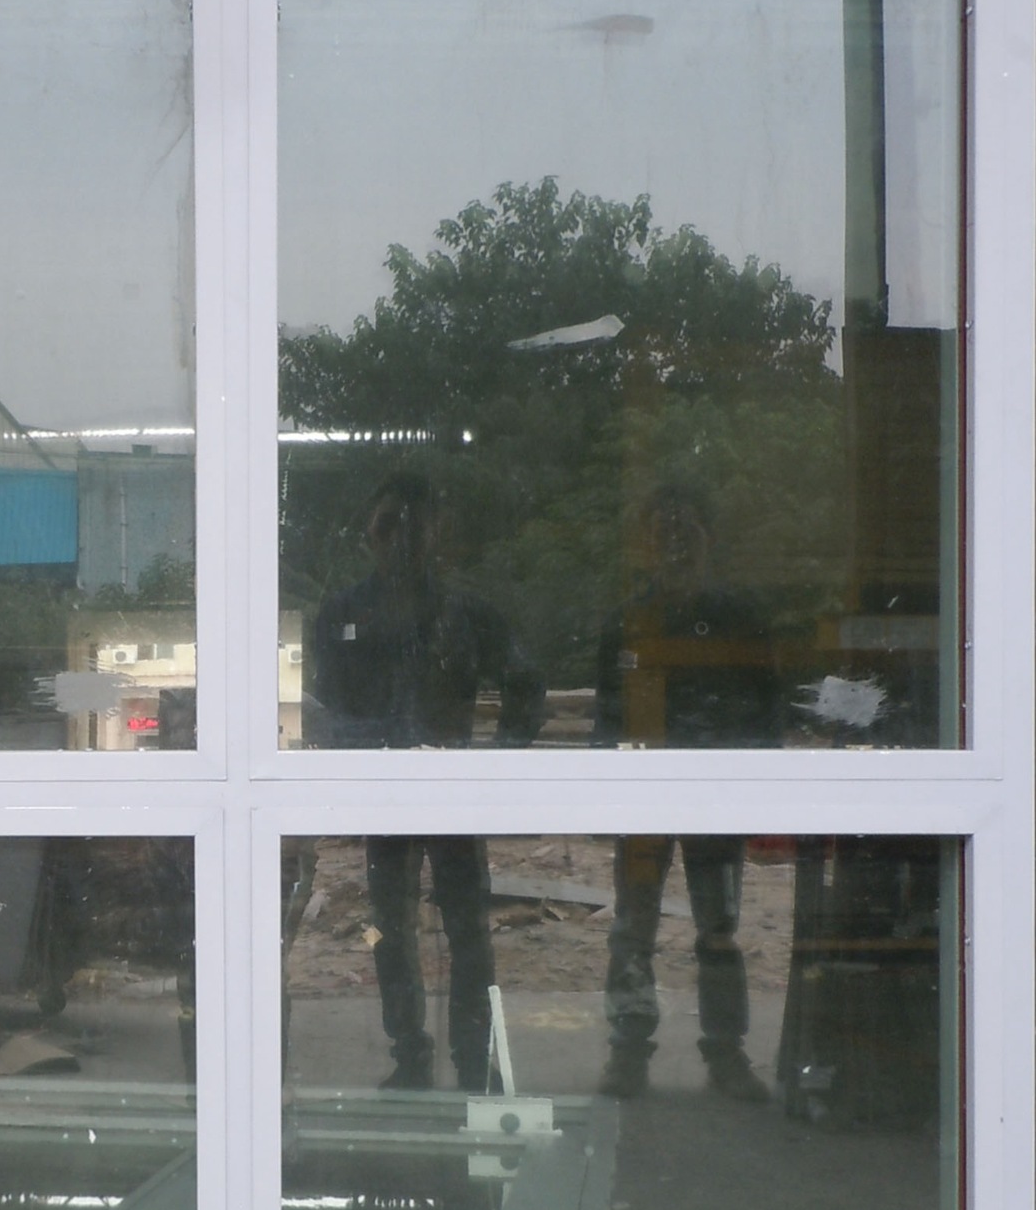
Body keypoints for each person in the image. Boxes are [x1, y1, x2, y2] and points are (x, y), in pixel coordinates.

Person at [305, 471, 543, 1090]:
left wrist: (497, 762)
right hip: (383, 796)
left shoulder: (464, 614)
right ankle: (409, 1052)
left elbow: (525, 684)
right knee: (389, 928)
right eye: (389, 526)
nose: (401, 540)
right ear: (370, 533)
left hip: (454, 796)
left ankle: (472, 1060)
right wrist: (354, 764)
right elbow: (322, 705)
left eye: (415, 527)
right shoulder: (344, 614)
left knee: (467, 930)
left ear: (438, 534)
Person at [594, 480, 781, 1101]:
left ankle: (726, 1054)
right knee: (633, 926)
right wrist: (602, 796)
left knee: (719, 928)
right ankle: (627, 1051)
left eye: (687, 530)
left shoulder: (740, 618)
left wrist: (763, 793)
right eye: (663, 532)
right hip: (642, 796)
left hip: (716, 796)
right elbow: (608, 716)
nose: (675, 544)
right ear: (645, 544)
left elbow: (766, 710)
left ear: (710, 539)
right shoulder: (627, 620)